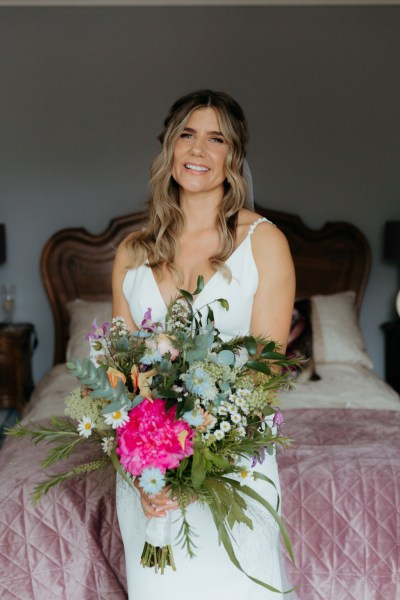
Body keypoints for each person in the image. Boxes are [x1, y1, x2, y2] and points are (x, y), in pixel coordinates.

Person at [112, 89, 296, 599]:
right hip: (147, 481)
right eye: (187, 135)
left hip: (231, 469)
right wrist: (150, 466)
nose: (199, 150)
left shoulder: (264, 243)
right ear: (169, 148)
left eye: (216, 139)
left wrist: (198, 449)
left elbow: (265, 370)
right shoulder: (131, 252)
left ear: (234, 157)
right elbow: (122, 375)